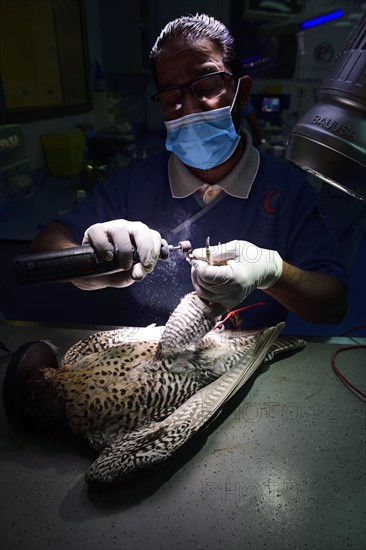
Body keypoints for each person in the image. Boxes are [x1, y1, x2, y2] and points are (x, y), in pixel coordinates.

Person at [30, 13, 348, 330]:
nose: (191, 106)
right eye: (172, 96)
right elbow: (44, 249)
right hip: (147, 364)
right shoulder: (133, 184)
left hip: (250, 364)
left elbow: (333, 305)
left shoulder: (288, 189)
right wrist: (90, 264)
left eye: (207, 83)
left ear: (242, 92)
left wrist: (274, 271)